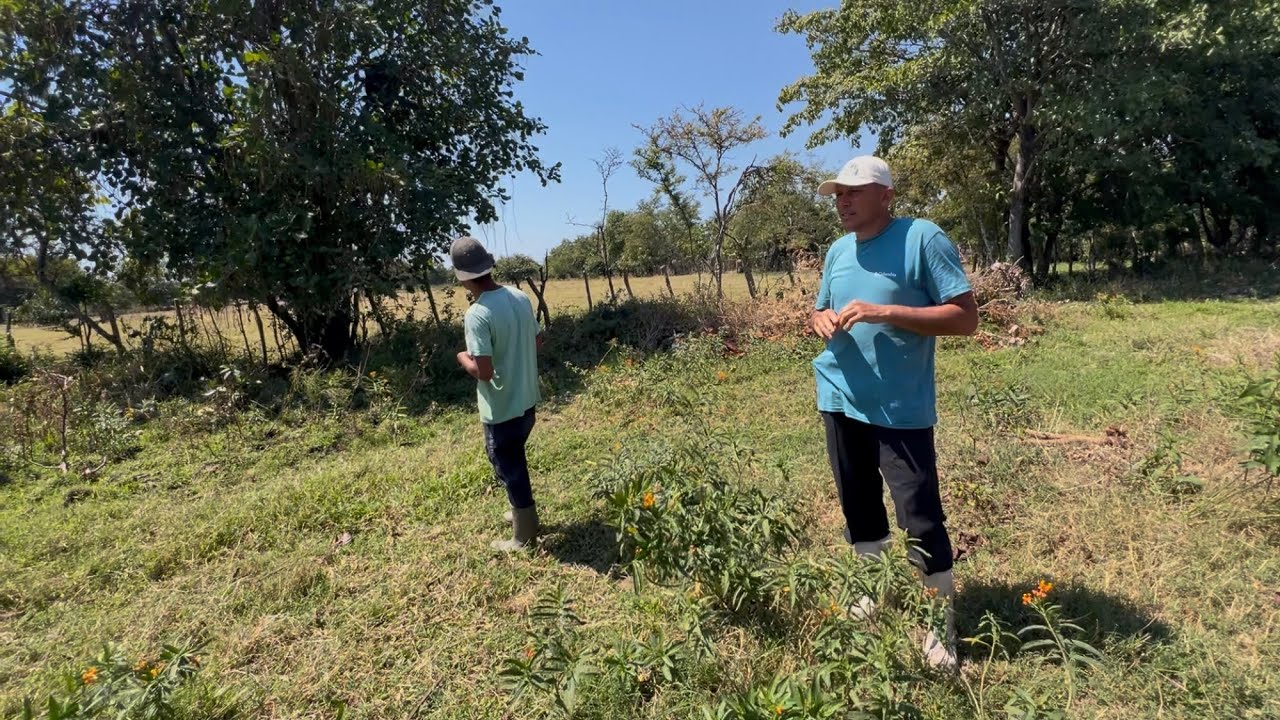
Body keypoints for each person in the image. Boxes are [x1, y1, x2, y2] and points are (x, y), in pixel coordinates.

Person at [810, 156, 978, 670]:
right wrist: (819, 318)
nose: (843, 200)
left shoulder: (921, 238)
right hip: (840, 397)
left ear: (885, 195)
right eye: (838, 192)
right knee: (859, 507)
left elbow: (965, 318)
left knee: (920, 517)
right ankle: (869, 592)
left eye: (854, 192)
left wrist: (886, 312)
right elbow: (820, 306)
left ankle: (938, 625)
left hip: (899, 406)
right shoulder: (837, 250)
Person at [451, 236, 544, 552]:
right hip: (527, 400)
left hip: (501, 407)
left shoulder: (477, 314)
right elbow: (537, 342)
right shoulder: (519, 297)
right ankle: (522, 514)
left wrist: (463, 358)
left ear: (461, 277)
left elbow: (485, 372)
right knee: (514, 458)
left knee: (508, 465)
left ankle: (524, 536)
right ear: (489, 265)